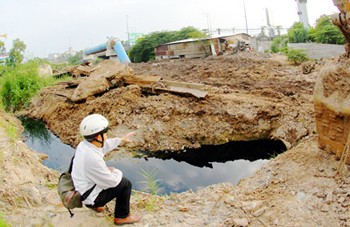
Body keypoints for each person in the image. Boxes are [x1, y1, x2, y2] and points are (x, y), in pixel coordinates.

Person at [71, 113, 142, 225]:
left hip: (82, 188)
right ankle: (122, 217)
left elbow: (103, 146)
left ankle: (97, 205)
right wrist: (113, 171)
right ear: (98, 137)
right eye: (105, 134)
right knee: (125, 183)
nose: (107, 136)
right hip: (87, 196)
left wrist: (120, 140)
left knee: (110, 178)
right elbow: (112, 182)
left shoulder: (85, 145)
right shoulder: (92, 158)